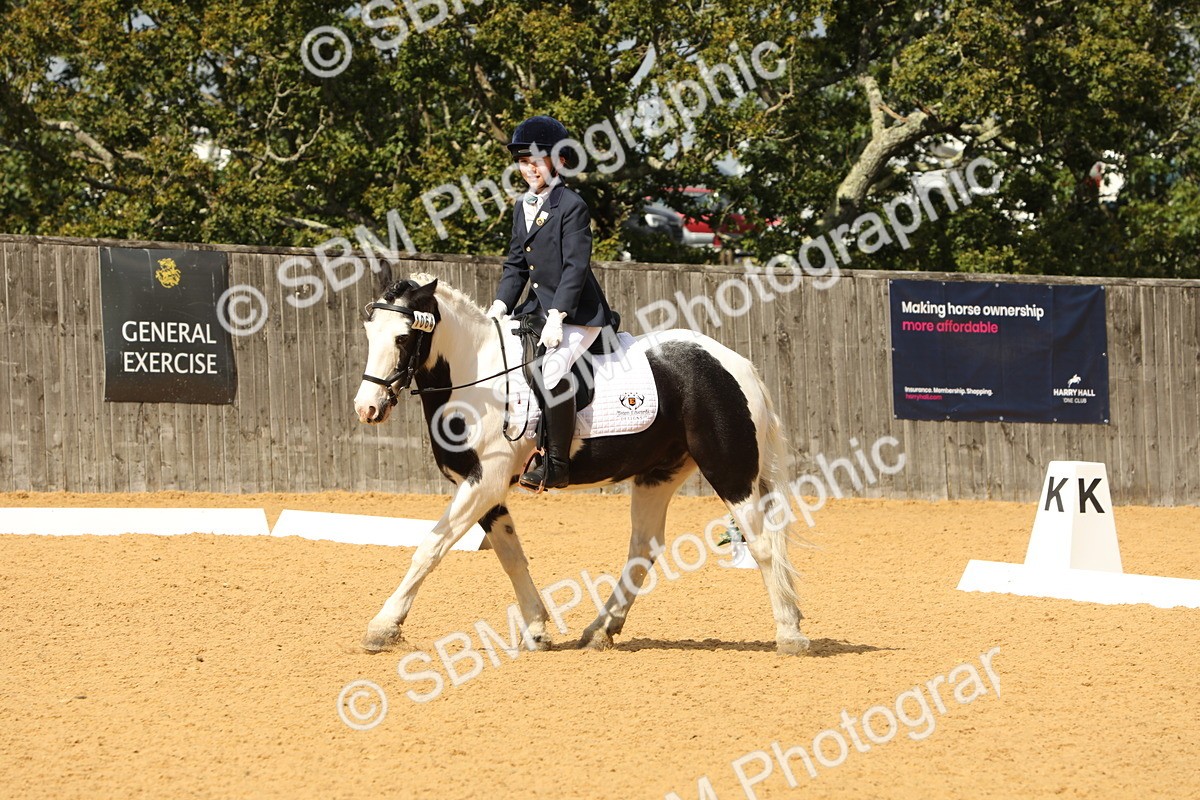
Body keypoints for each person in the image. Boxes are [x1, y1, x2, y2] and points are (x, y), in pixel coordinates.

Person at [485, 115, 620, 490]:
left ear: (558, 161)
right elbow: (516, 265)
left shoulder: (572, 205)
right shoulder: (521, 207)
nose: (529, 168)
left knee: (552, 371)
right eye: (523, 161)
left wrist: (559, 315)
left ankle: (557, 465)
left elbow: (576, 266)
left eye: (537, 160)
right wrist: (500, 305)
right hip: (535, 310)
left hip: (577, 313)